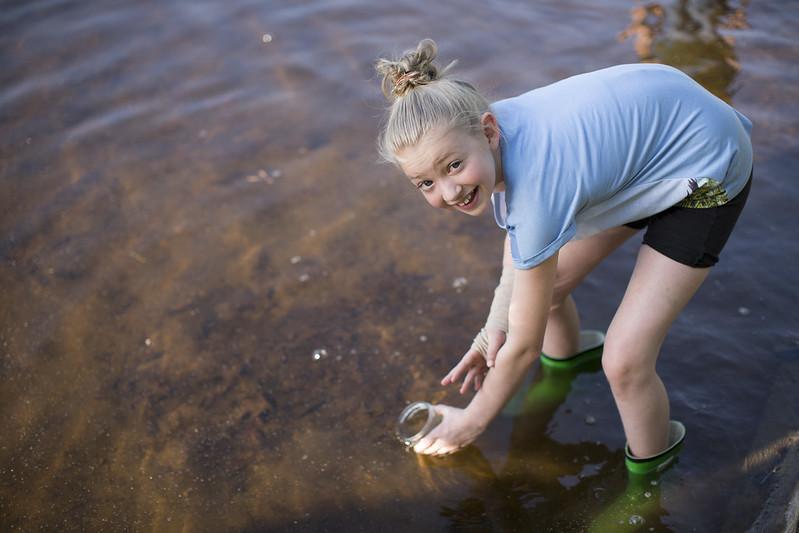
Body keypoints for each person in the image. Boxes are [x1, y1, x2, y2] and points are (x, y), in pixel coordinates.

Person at [375, 39, 753, 474]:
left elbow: (523, 343)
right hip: (648, 152)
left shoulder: (537, 180)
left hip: (707, 167)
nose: (448, 192)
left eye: (453, 167)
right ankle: (567, 366)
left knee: (624, 361)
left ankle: (650, 478)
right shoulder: (474, 125)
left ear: (489, 130)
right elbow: (522, 242)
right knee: (544, 291)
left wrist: (473, 420)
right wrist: (495, 324)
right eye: (425, 183)